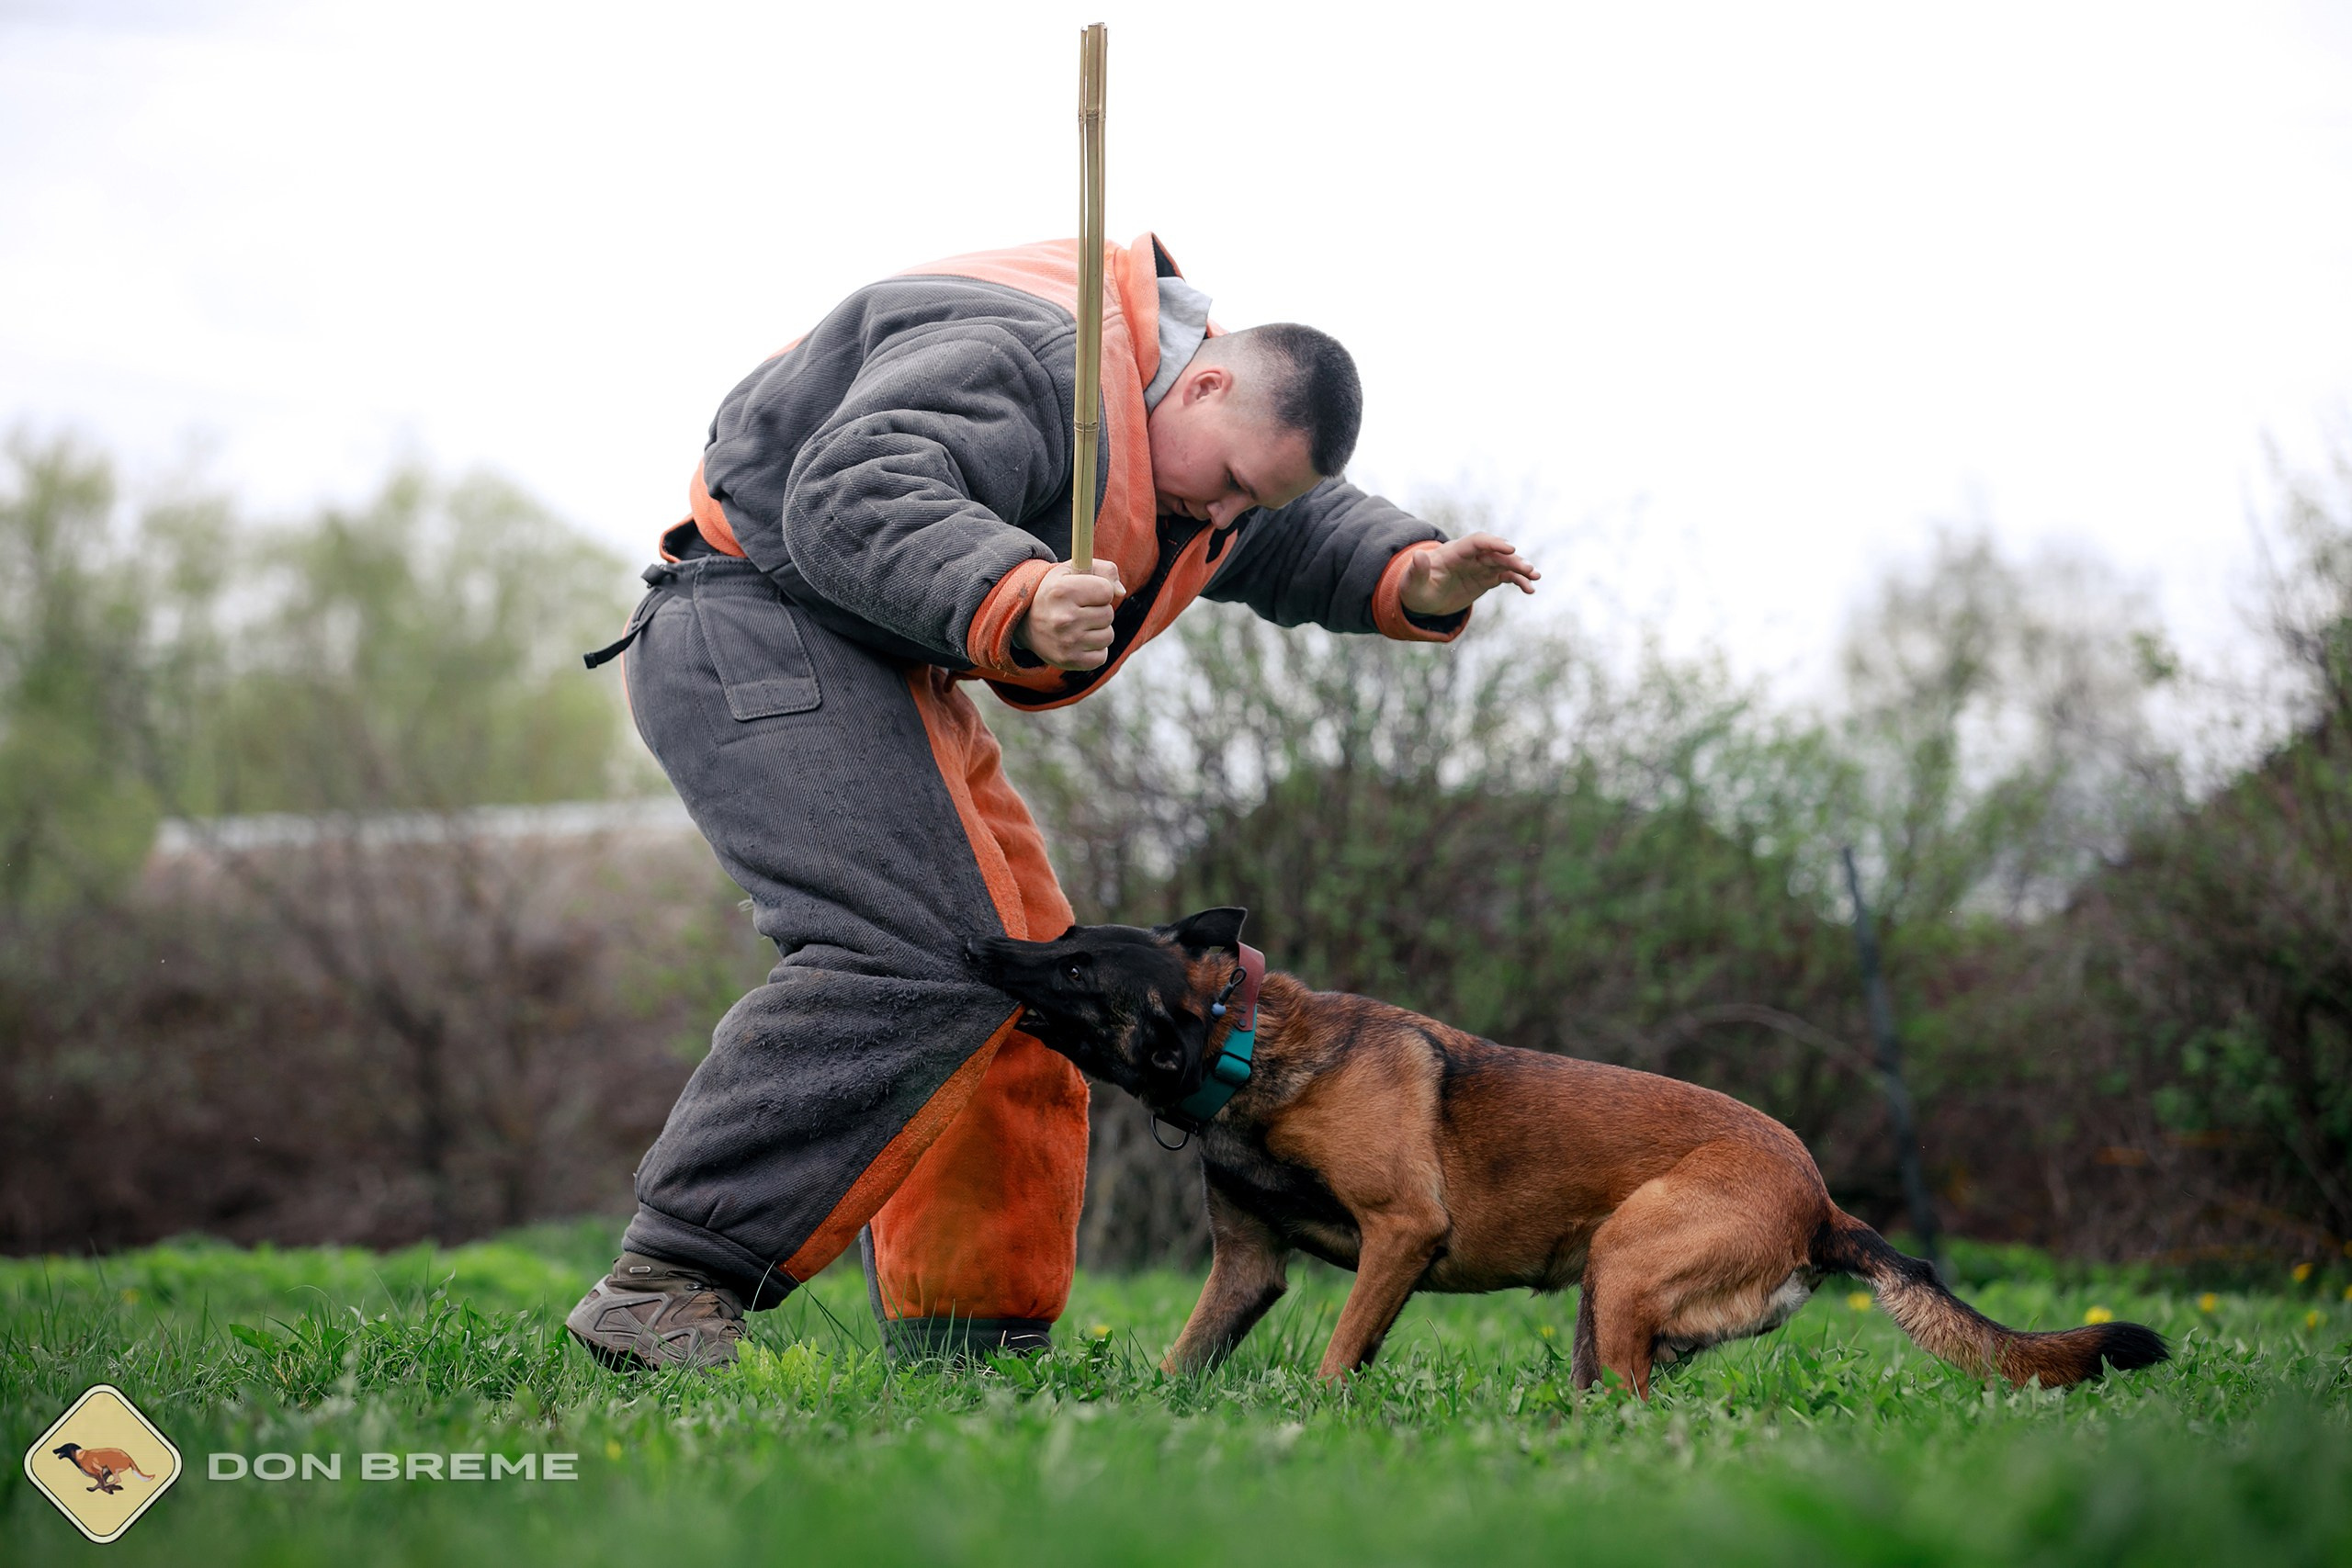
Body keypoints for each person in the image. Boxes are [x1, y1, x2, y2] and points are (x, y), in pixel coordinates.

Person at [566, 232, 1539, 1370]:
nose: (1226, 514)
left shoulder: (1183, 429)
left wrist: (1413, 573)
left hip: (876, 670)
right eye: (1231, 483)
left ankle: (969, 1345)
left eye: (1249, 501)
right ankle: (668, 1284)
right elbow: (855, 488)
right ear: (1206, 385)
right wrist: (1012, 591)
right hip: (750, 631)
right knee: (918, 952)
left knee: (1028, 978)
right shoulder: (1030, 359)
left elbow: (1290, 524)